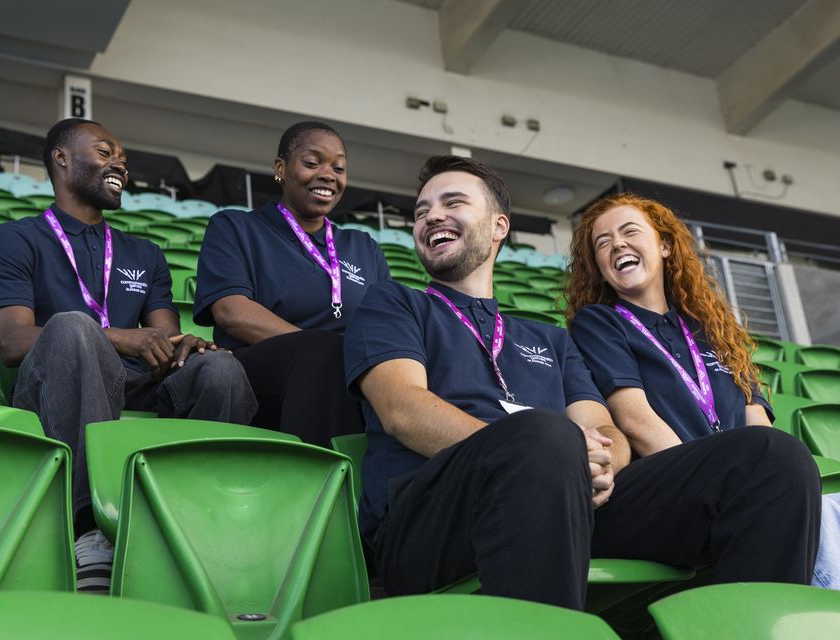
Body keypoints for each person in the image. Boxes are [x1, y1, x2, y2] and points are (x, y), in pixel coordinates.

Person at [343, 156, 821, 610]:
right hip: (431, 520)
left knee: (771, 459)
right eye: (422, 211)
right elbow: (403, 408)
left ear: (498, 227)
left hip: (563, 497)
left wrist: (601, 460)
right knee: (544, 435)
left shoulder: (549, 339)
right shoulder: (393, 302)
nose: (431, 217)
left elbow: (607, 430)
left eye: (452, 203)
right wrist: (542, 450)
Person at [0, 118, 258, 591]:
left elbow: (164, 340)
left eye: (123, 157)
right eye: (106, 152)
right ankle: (91, 530)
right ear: (61, 158)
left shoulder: (144, 253)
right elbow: (11, 343)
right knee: (73, 327)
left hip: (139, 384)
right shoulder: (17, 238)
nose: (120, 163)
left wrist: (186, 344)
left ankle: (203, 524)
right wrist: (115, 336)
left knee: (220, 368)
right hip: (58, 384)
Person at [566, 192, 838, 589]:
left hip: (741, 477)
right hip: (668, 487)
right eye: (603, 243)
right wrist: (713, 480)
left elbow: (757, 423)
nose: (617, 244)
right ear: (600, 268)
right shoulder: (600, 322)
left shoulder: (711, 328)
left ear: (665, 245)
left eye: (629, 232)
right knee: (773, 459)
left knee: (788, 464)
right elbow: (636, 421)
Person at [194, 121, 389, 446]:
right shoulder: (235, 227)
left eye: (338, 167)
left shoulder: (363, 245)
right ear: (280, 168)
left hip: (347, 375)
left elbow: (384, 325)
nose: (328, 174)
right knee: (323, 356)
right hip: (259, 371)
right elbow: (232, 312)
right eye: (312, 163)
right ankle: (315, 483)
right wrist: (327, 353)